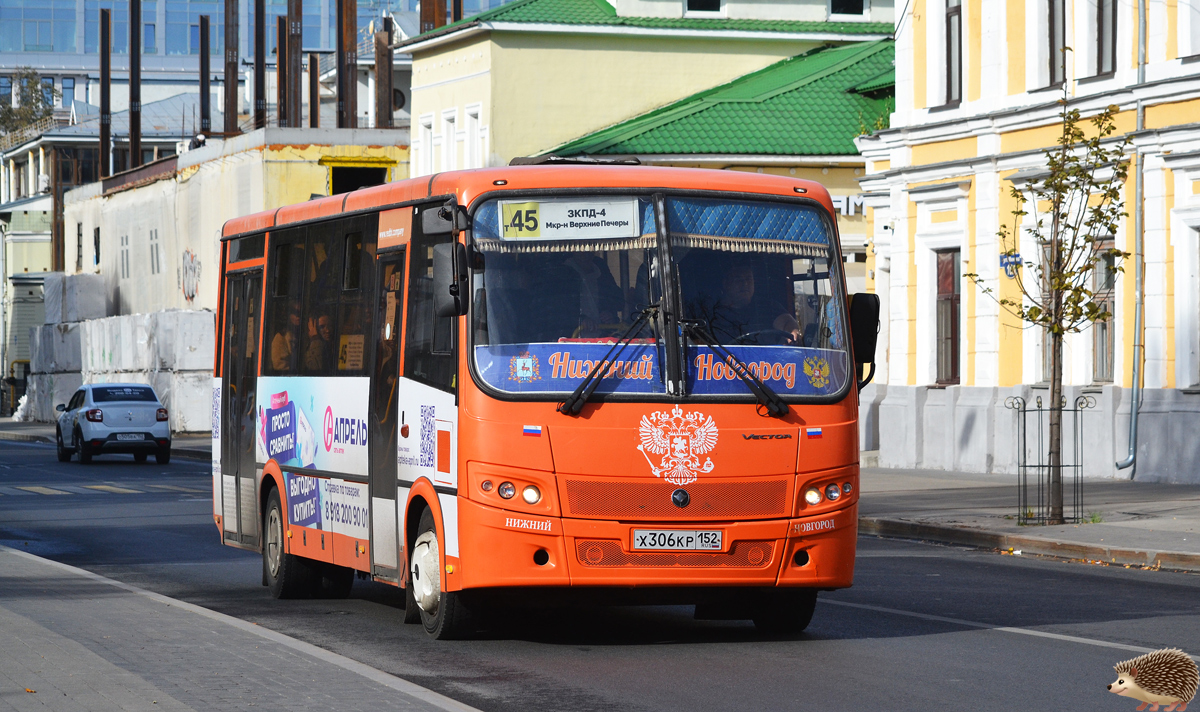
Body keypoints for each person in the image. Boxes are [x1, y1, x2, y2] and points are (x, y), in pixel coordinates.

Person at [709, 263, 799, 344]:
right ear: (726, 284)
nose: (745, 284)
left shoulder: (768, 307)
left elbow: (786, 322)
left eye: (749, 279)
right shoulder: (712, 312)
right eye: (738, 280)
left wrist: (792, 332)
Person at [270, 305, 301, 371]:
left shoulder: (308, 335)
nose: (298, 316)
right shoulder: (281, 338)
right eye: (295, 312)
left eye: (301, 312)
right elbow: (280, 367)